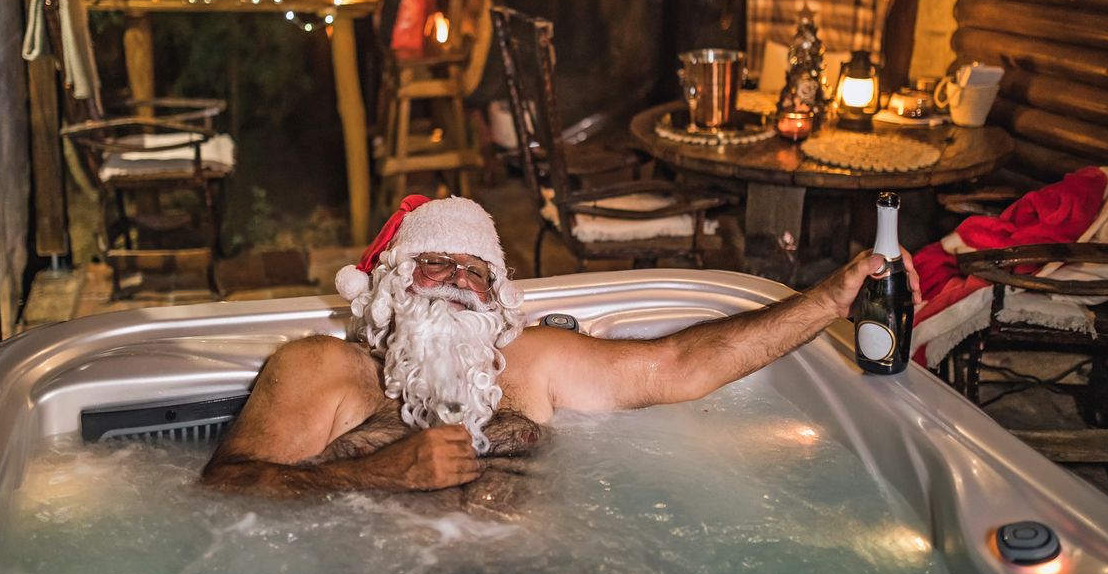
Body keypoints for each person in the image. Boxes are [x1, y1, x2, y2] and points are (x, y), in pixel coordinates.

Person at [202, 194, 921, 498]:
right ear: (392, 283)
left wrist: (829, 300)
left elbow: (676, 367)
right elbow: (224, 490)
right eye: (435, 266)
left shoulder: (528, 364)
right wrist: (374, 474)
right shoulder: (323, 369)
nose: (457, 285)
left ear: (496, 298)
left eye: (476, 274)